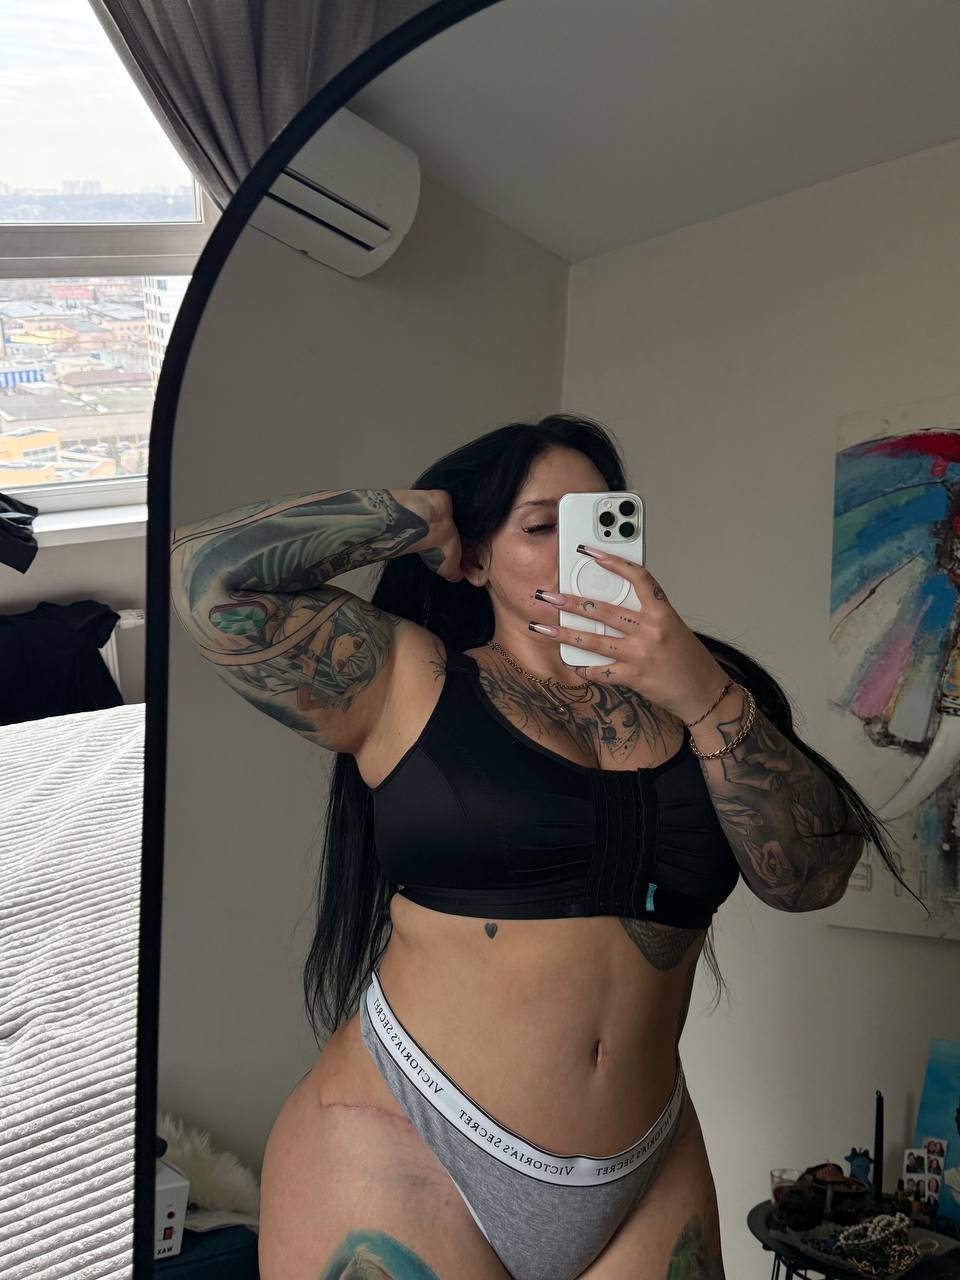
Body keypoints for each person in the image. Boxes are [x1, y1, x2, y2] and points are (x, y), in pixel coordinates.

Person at [170, 414, 919, 1280]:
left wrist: (701, 691)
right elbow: (205, 579)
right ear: (477, 559)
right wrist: (416, 518)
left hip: (645, 1168)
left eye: (599, 519)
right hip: (404, 1146)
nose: (579, 549)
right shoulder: (410, 678)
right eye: (540, 526)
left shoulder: (715, 691)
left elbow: (812, 879)